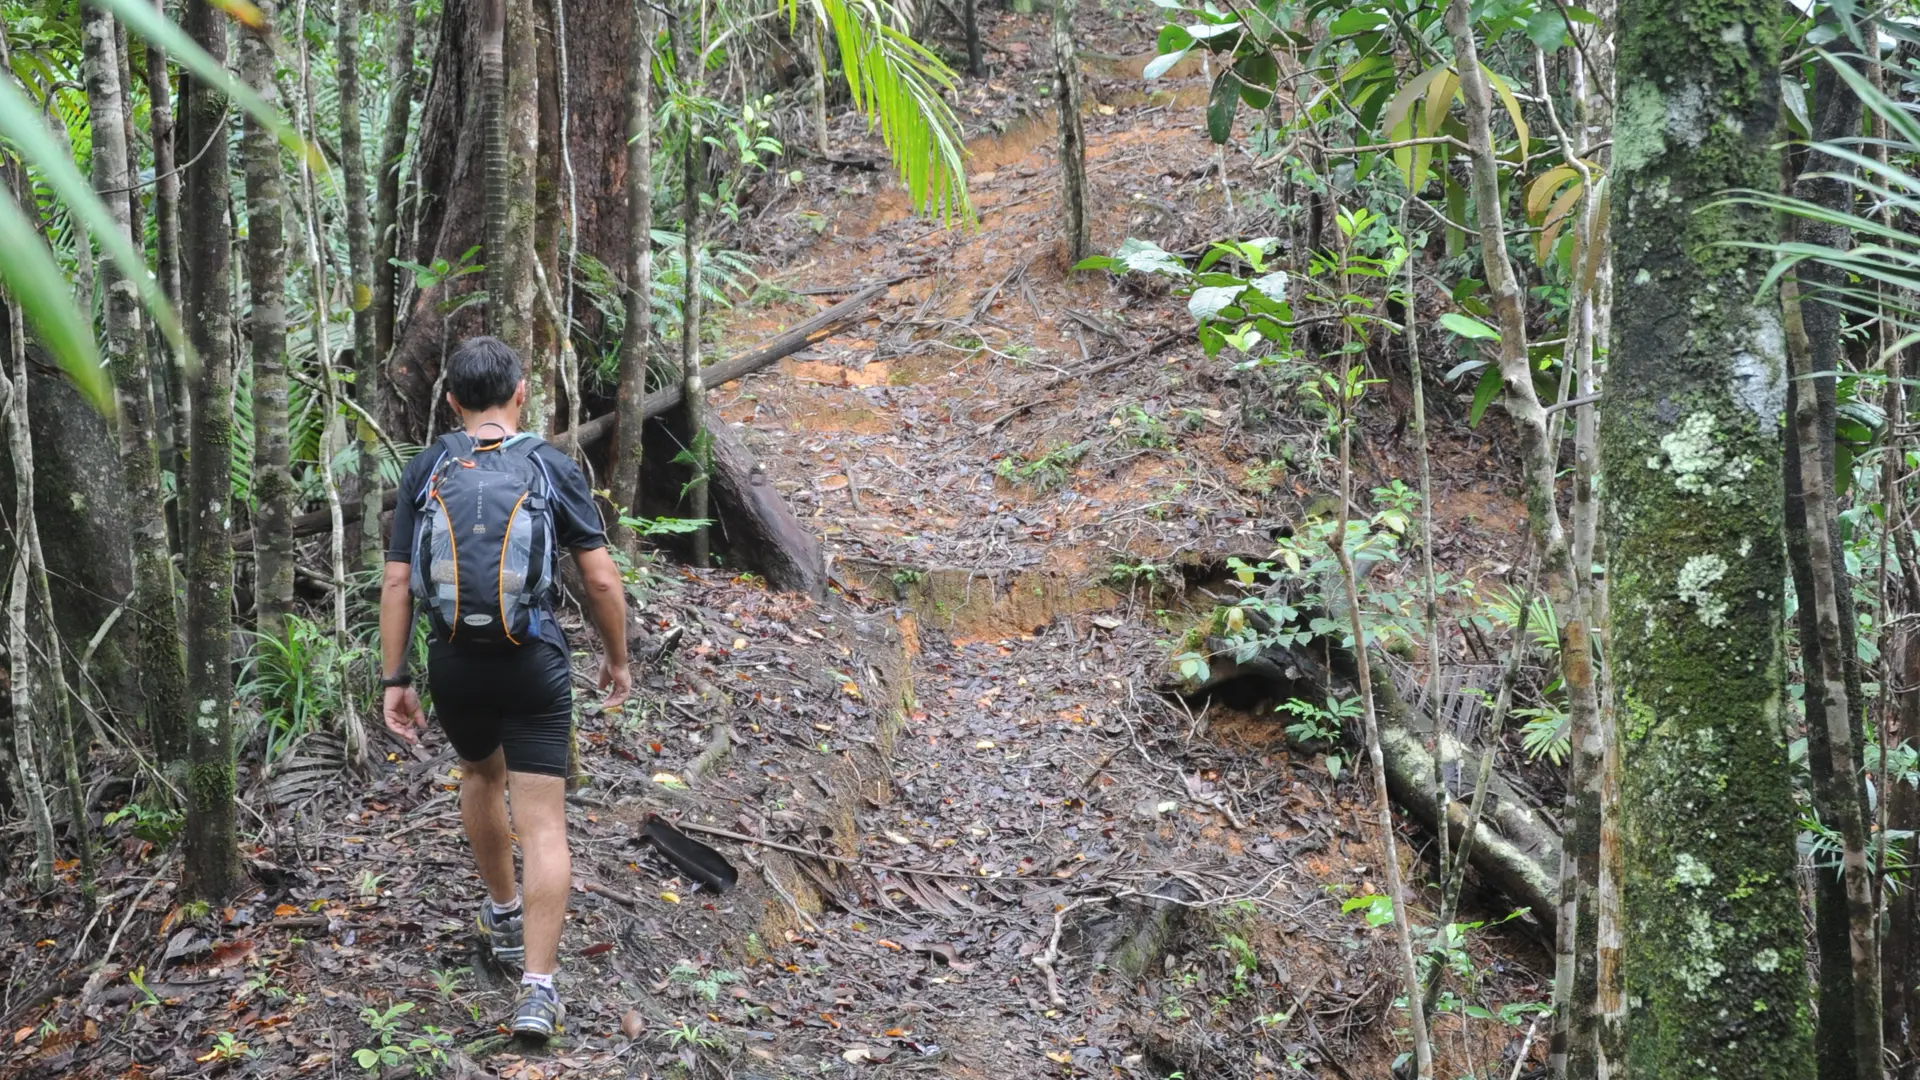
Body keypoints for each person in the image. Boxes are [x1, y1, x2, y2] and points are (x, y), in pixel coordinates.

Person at [378, 336, 631, 1039]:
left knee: (478, 775)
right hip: (534, 662)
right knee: (544, 821)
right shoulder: (550, 465)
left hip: (454, 661)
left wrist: (395, 677)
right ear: (522, 391)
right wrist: (618, 657)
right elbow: (602, 578)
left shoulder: (427, 466)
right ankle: (539, 990)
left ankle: (501, 912)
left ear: (452, 400)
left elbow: (398, 580)